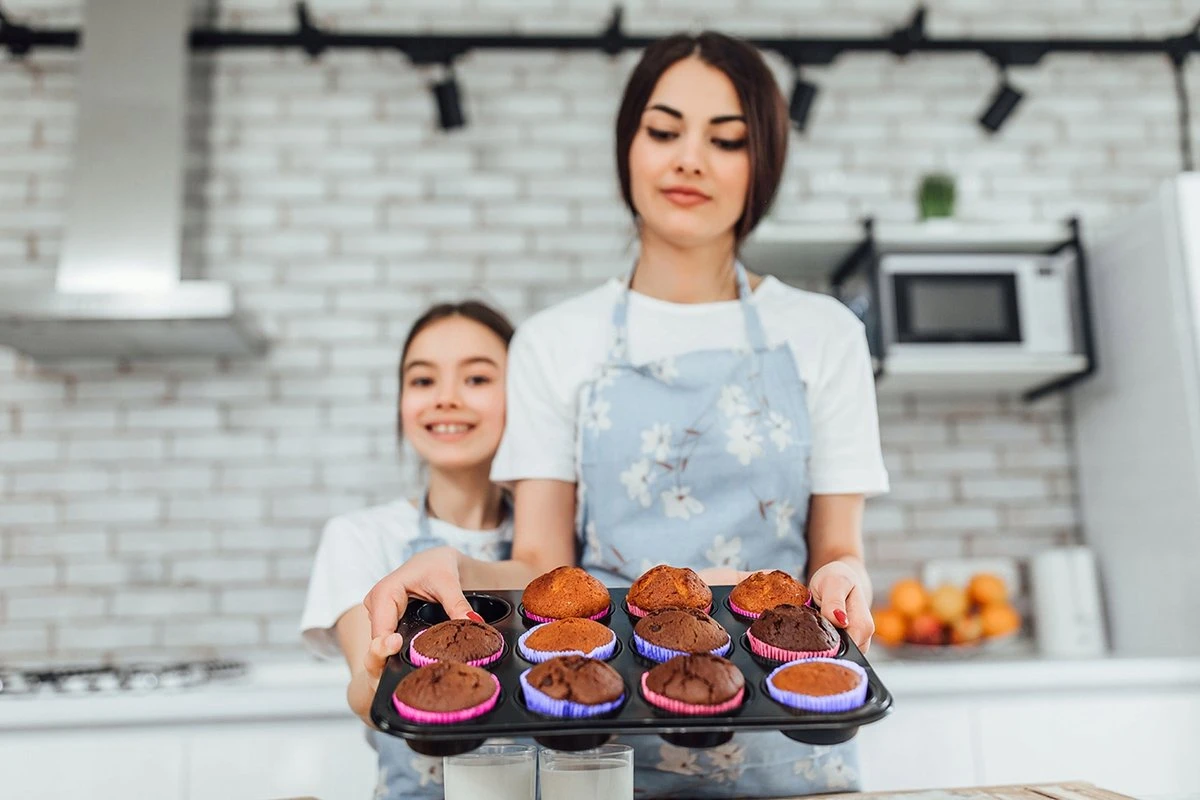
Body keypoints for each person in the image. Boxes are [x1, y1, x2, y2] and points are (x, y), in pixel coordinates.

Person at [363, 31, 890, 798]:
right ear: (628, 147)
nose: (690, 159)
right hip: (601, 739)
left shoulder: (824, 334)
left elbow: (837, 548)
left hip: (790, 733)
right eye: (664, 130)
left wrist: (844, 576)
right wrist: (461, 573)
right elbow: (541, 564)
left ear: (763, 162)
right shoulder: (554, 341)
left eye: (728, 139)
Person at [300, 301, 516, 799]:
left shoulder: (554, 549)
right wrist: (372, 685)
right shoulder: (359, 536)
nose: (445, 399)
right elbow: (365, 684)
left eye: (477, 379)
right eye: (422, 381)